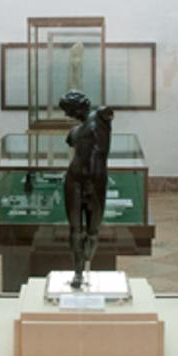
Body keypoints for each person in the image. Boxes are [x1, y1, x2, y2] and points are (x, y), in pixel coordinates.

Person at [59, 90, 113, 289]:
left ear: (77, 107)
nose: (67, 115)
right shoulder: (74, 132)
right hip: (73, 180)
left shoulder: (101, 115)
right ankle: (78, 272)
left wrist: (91, 182)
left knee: (92, 231)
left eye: (68, 110)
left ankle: (86, 260)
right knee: (75, 229)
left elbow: (98, 153)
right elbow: (74, 145)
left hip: (96, 181)